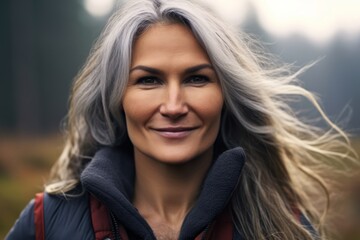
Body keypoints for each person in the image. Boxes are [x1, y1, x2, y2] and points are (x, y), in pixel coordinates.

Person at [6, 0, 356, 239]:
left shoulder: (285, 226)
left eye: (196, 78)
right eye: (148, 80)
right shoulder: (44, 223)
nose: (173, 105)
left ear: (226, 96)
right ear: (117, 98)